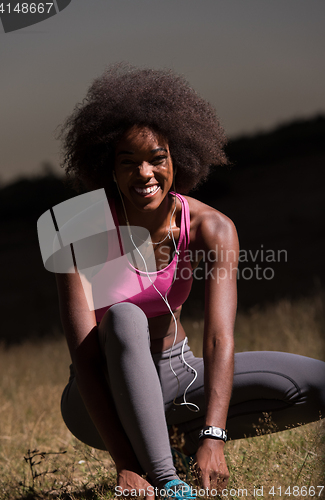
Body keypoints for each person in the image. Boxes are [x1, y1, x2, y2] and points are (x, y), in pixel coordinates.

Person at [55, 64, 325, 498]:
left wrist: (214, 434)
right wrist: (125, 465)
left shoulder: (211, 227)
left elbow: (219, 337)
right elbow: (85, 359)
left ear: (177, 156)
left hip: (176, 378)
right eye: (128, 162)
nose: (144, 173)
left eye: (156, 158)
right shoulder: (78, 233)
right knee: (124, 318)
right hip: (98, 398)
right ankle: (167, 479)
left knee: (316, 382)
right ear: (107, 166)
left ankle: (172, 448)